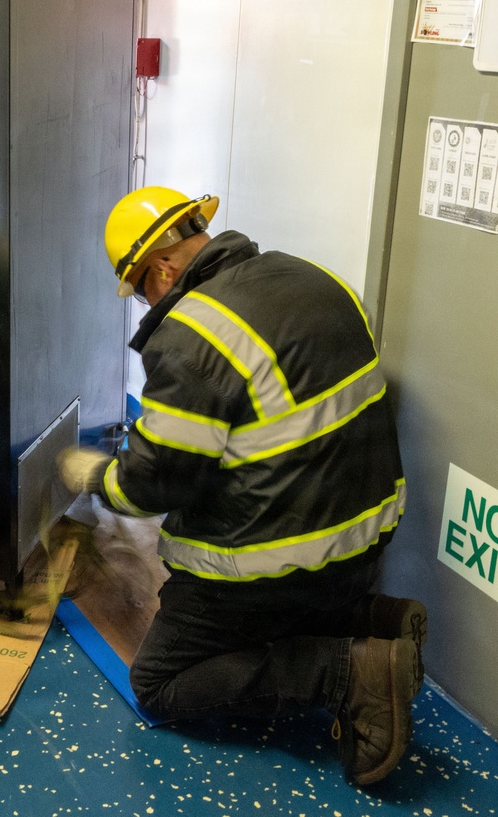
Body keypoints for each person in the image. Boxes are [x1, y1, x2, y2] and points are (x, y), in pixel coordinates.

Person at [58, 186, 426, 786]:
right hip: (368, 542)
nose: (145, 304)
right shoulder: (312, 277)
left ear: (162, 268)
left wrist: (97, 477)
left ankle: (348, 673)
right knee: (293, 583)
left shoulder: (192, 336)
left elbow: (155, 485)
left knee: (160, 684)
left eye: (140, 289)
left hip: (279, 566)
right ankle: (372, 617)